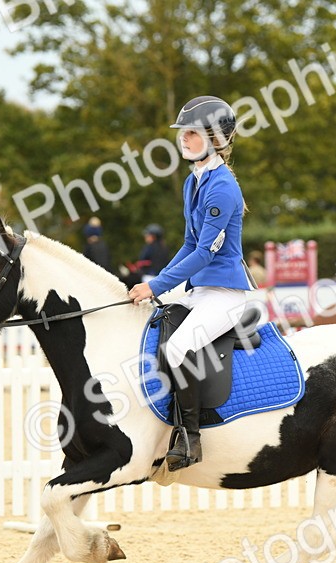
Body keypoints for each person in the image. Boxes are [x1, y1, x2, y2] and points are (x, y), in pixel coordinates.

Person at [127, 95, 255, 471]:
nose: (184, 138)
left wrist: (154, 285)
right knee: (155, 331)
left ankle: (190, 437)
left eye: (192, 132)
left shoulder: (222, 188)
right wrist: (160, 285)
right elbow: (186, 244)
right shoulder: (193, 182)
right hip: (200, 290)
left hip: (227, 293)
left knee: (180, 347)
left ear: (215, 138)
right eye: (183, 132)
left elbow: (204, 253)